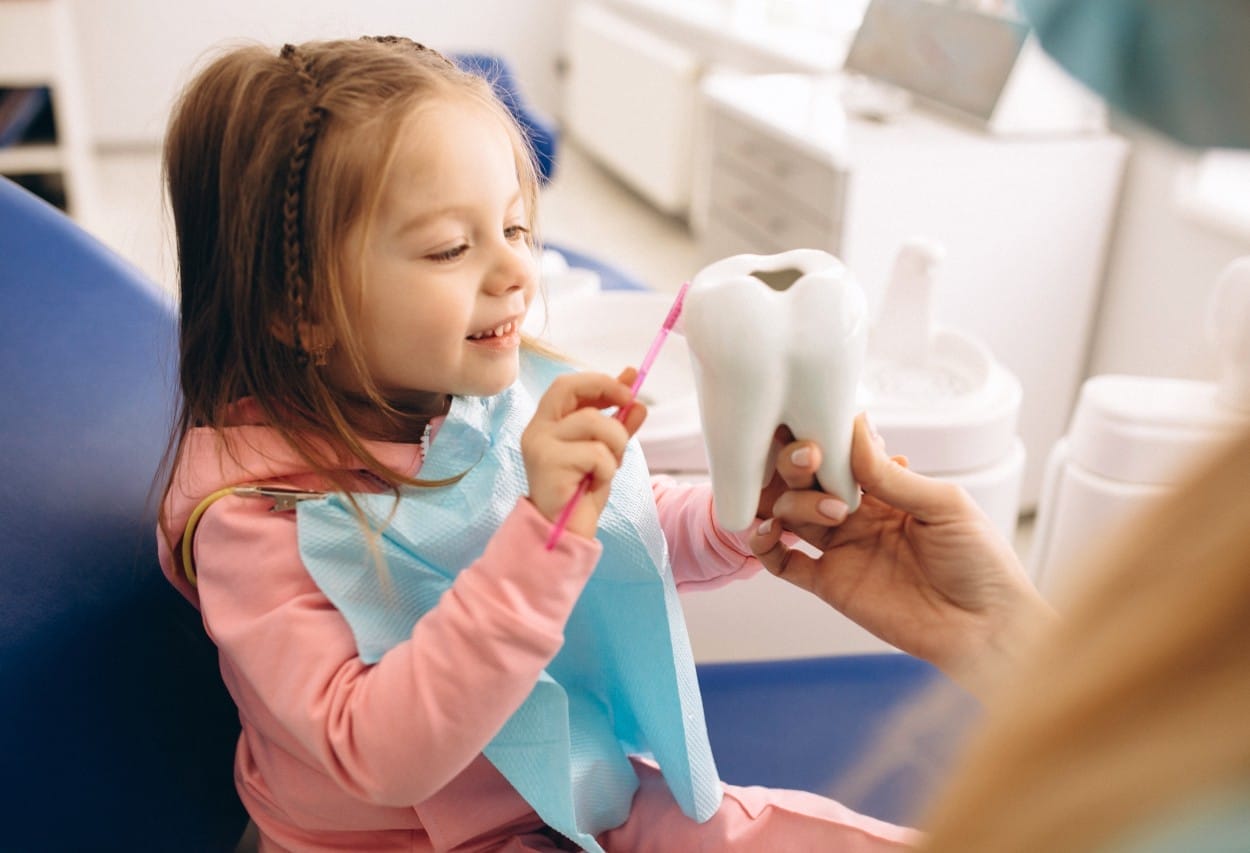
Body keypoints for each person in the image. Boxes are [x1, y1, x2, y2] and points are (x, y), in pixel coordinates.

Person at [156, 36, 920, 851]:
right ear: (297, 309)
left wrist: (740, 517)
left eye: (517, 227)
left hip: (563, 788)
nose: (516, 270)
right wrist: (541, 531)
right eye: (452, 247)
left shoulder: (488, 394)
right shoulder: (251, 518)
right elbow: (376, 752)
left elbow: (627, 519)